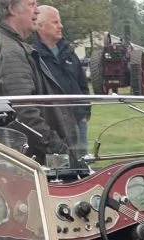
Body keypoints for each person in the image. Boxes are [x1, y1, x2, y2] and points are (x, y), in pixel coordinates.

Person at [0, 0, 75, 161]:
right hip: (27, 157)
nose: (37, 11)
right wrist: (56, 147)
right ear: (12, 8)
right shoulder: (10, 50)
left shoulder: (7, 43)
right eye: (31, 4)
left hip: (21, 152)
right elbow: (24, 112)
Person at [33, 5, 90, 156]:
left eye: (60, 22)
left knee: (82, 163)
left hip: (78, 119)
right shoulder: (32, 55)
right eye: (55, 22)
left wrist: (84, 112)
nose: (61, 26)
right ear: (40, 26)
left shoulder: (69, 52)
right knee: (59, 166)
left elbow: (82, 84)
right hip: (54, 125)